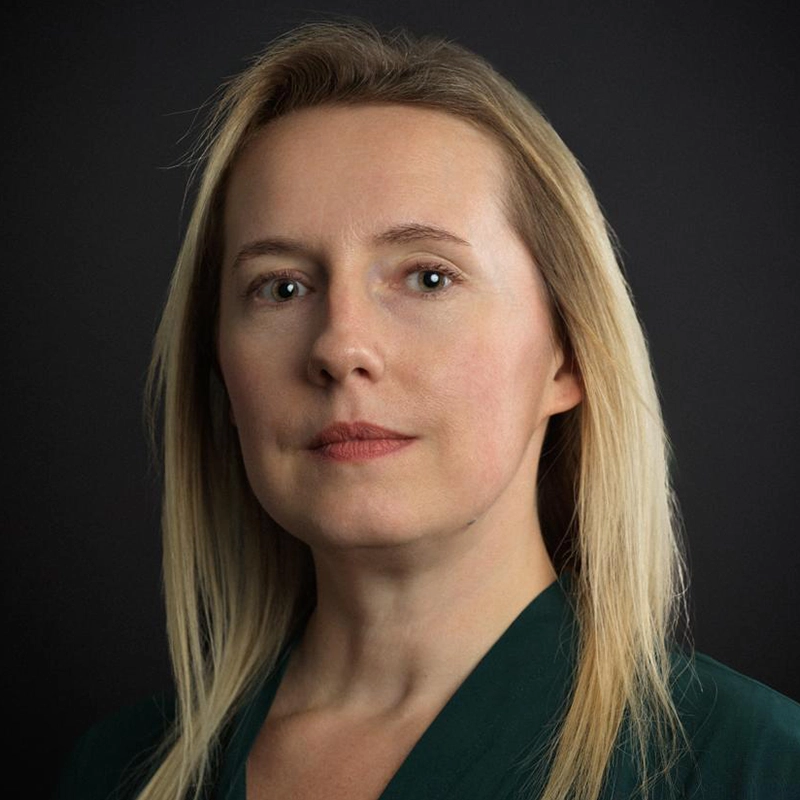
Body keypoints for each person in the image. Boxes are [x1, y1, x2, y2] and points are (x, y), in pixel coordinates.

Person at [56, 19, 800, 800]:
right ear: (221, 371)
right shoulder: (117, 772)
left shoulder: (755, 767)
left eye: (428, 278)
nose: (339, 347)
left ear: (568, 355)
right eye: (281, 287)